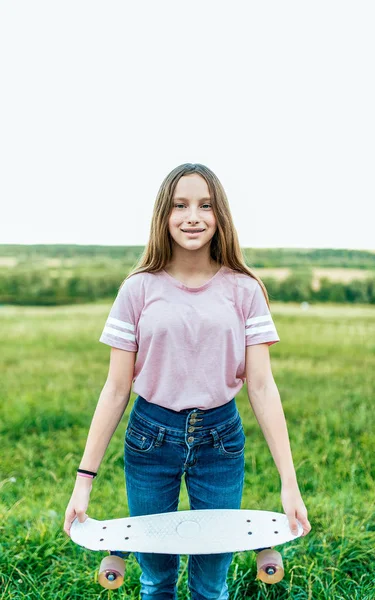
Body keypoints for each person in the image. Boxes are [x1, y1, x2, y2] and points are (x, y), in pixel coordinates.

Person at [64, 163, 311, 599]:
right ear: (164, 215)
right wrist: (84, 480)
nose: (192, 216)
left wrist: (288, 482)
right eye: (180, 205)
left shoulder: (245, 289)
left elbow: (261, 387)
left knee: (212, 583)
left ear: (221, 217)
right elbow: (116, 388)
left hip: (220, 441)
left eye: (205, 205)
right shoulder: (137, 289)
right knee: (156, 578)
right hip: (149, 439)